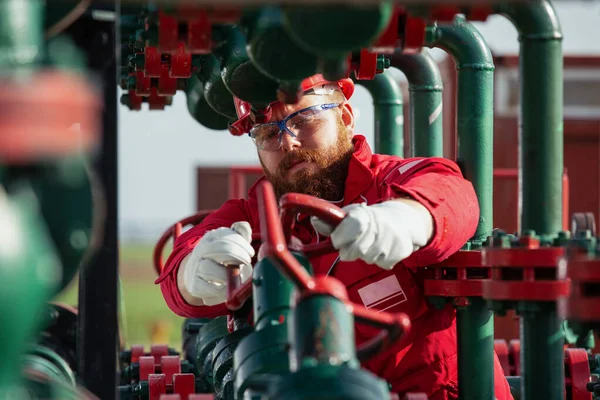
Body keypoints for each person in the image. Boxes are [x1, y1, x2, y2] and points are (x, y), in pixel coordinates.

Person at [156, 74, 512, 399]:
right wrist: (192, 273)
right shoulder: (253, 217)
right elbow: (179, 270)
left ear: (344, 117)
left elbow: (451, 195)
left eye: (303, 120)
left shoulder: (393, 183)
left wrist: (407, 220)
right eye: (267, 133)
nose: (288, 143)